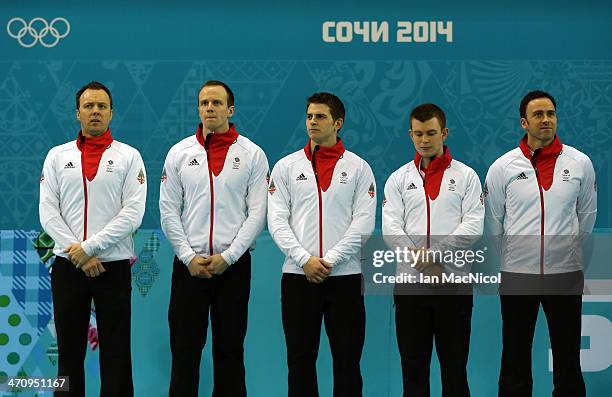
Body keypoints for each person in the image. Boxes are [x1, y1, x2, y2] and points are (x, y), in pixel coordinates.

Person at [159, 80, 268, 396]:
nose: (210, 108)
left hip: (232, 268)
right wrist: (188, 257)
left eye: (217, 103)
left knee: (230, 353)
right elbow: (168, 210)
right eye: (204, 102)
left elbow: (257, 213)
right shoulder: (179, 153)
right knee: (184, 354)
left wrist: (230, 256)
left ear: (230, 109)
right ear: (198, 109)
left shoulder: (252, 154)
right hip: (188, 268)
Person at [484, 90, 597, 397]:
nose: (546, 120)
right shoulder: (502, 167)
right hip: (518, 275)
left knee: (568, 357)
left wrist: (569, 252)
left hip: (565, 274)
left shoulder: (580, 163)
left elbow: (587, 216)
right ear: (524, 122)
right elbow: (494, 222)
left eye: (551, 113)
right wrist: (513, 258)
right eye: (538, 114)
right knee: (515, 357)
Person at [39, 81, 147, 396]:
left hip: (111, 266)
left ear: (112, 113)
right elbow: (48, 213)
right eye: (89, 106)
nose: (95, 112)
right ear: (78, 113)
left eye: (101, 106)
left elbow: (133, 214)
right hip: (68, 266)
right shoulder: (57, 156)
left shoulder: (130, 157)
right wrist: (79, 256)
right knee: (69, 355)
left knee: (115, 354)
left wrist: (87, 249)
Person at [267, 92, 376, 397]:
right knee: (300, 362)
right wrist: (305, 260)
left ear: (338, 123)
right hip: (298, 277)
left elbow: (363, 224)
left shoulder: (358, 168)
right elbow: (277, 220)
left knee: (347, 363)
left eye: (320, 117)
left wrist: (330, 260)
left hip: (345, 278)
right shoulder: (286, 167)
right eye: (309, 116)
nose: (312, 122)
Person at [382, 103, 484, 397]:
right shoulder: (399, 179)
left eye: (430, 133)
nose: (424, 140)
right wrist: (425, 263)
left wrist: (435, 253)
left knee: (454, 369)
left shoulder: (466, 177)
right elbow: (391, 231)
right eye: (418, 134)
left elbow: (473, 227)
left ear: (445, 133)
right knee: (413, 370)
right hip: (411, 288)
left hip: (453, 287)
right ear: (410, 135)